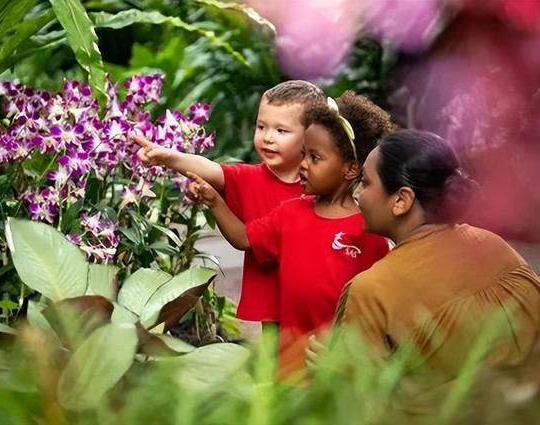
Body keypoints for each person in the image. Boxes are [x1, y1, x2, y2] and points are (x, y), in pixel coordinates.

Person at [187, 91, 394, 380]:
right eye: (304, 154)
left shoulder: (369, 233)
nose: (304, 164)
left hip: (338, 371)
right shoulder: (290, 213)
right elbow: (244, 239)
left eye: (315, 157)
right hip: (287, 372)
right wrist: (214, 201)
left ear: (350, 169)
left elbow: (378, 312)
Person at [308, 129, 540, 380]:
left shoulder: (370, 291)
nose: (356, 194)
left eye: (365, 182)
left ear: (401, 200)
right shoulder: (495, 246)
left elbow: (361, 409)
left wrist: (334, 372)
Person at [131, 81, 327, 332]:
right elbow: (211, 169)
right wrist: (168, 157)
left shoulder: (324, 184)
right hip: (273, 298)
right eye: (261, 126)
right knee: (273, 360)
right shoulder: (250, 178)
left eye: (281, 131)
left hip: (318, 295)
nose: (267, 137)